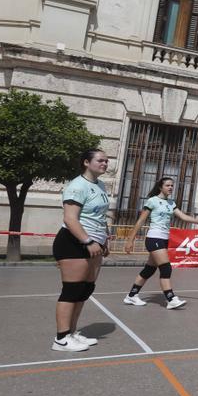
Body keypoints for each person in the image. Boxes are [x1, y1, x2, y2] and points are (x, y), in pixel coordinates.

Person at [51, 149, 112, 352]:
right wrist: (87, 241)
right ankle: (61, 339)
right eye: (100, 160)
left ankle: (72, 333)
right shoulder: (77, 186)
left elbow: (101, 217)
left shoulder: (100, 185)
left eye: (106, 161)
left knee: (85, 289)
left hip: (96, 243)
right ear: (86, 162)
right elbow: (70, 218)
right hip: (74, 242)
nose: (105, 163)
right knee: (71, 291)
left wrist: (105, 239)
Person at [122, 176, 198, 309]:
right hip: (154, 238)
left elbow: (183, 217)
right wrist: (130, 240)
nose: (171, 188)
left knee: (149, 270)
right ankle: (171, 299)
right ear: (160, 187)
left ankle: (131, 296)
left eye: (172, 186)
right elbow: (140, 221)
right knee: (166, 268)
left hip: (164, 239)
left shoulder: (171, 203)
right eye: (168, 185)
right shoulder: (152, 201)